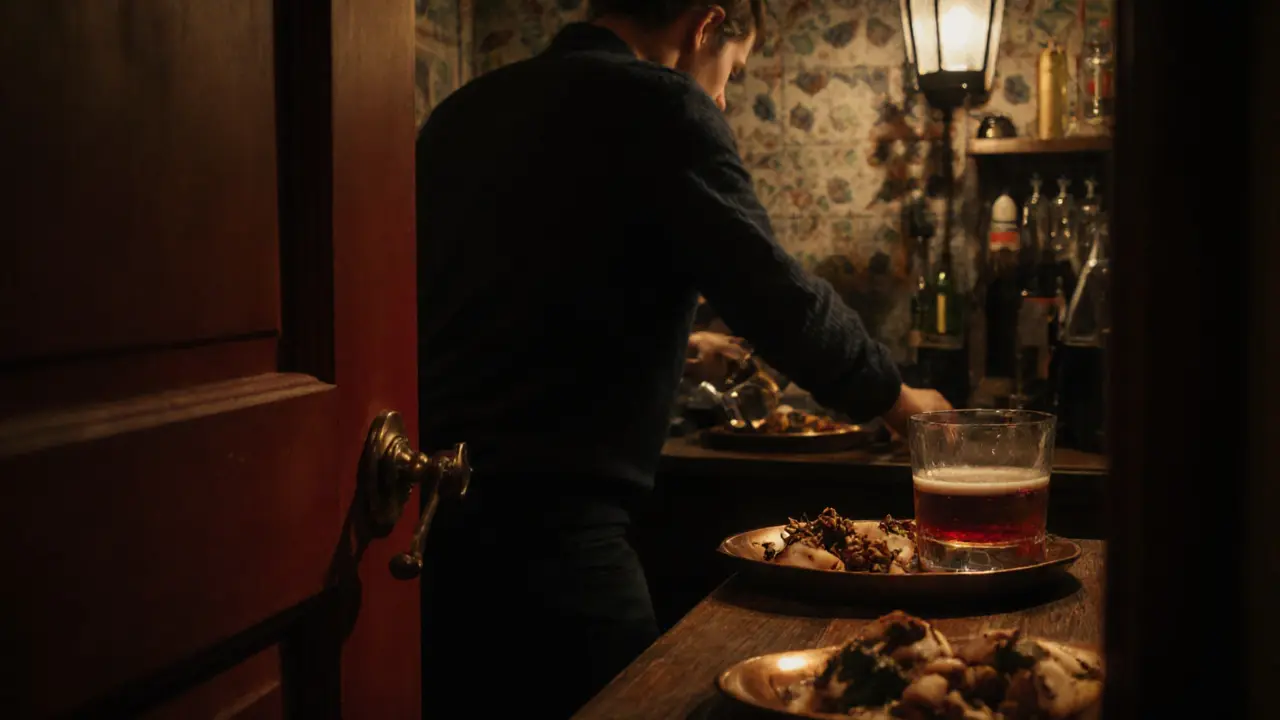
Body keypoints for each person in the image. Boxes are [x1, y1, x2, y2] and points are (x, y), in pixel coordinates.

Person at [414, 0, 952, 715]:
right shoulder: (660, 104)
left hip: (431, 533)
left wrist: (683, 342)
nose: (723, 95)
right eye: (730, 70)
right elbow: (775, 295)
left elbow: (522, 288)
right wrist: (897, 400)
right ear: (705, 25)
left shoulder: (463, 111)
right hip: (560, 536)